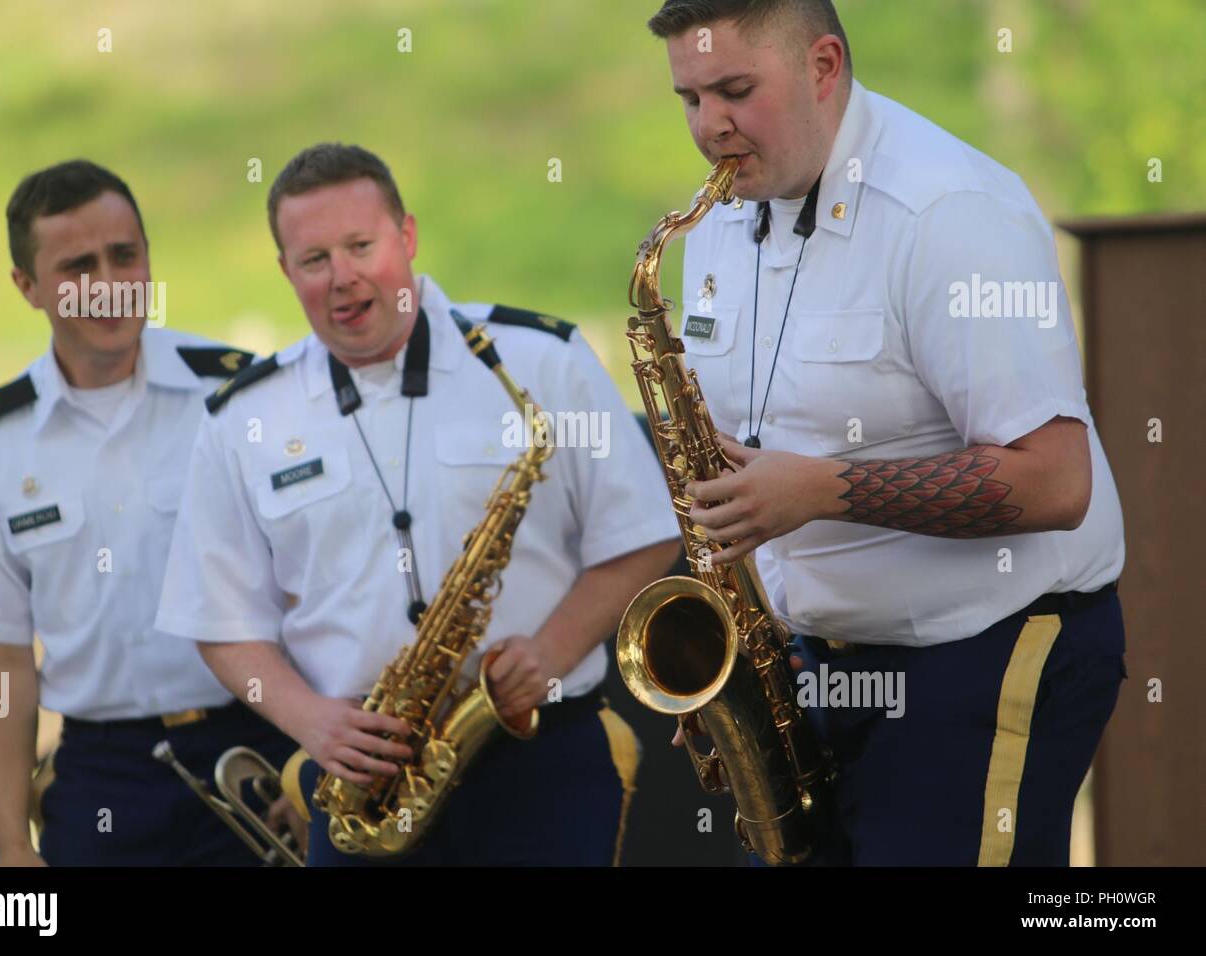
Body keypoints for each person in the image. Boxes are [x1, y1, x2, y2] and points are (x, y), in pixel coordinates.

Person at [646, 0, 1126, 865]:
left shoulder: (949, 213)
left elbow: (1056, 481)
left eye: (736, 90)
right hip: (821, 662)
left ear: (825, 66)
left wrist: (822, 491)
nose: (710, 127)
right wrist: (742, 671)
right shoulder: (717, 218)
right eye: (689, 98)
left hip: (987, 649)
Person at [154, 143, 681, 866]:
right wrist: (311, 722)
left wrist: (548, 654)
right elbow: (219, 623)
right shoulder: (243, 417)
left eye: (360, 246)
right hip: (364, 782)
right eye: (314, 260)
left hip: (540, 756)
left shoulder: (539, 359)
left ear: (406, 236)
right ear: (285, 271)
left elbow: (643, 537)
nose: (343, 278)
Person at [0, 160, 299, 866]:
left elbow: (317, 582)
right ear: (26, 287)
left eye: (125, 256)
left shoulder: (240, 393)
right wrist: (6, 842)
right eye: (77, 266)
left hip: (262, 746)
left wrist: (313, 769)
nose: (109, 286)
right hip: (103, 774)